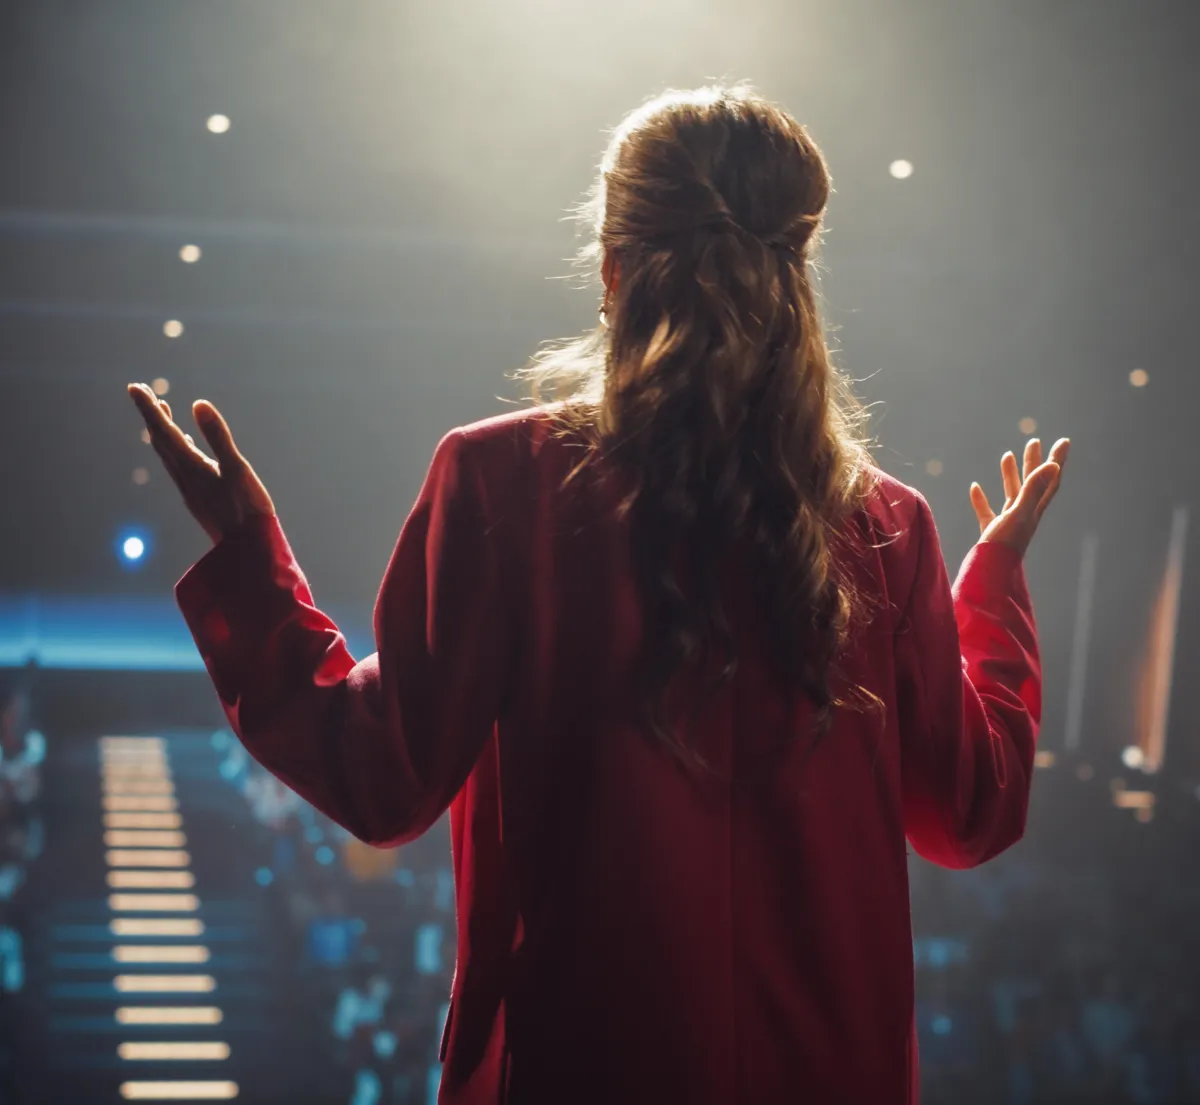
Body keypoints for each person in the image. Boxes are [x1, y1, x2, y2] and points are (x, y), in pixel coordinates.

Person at [129, 83, 1069, 1105]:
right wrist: (992, 588)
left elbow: (380, 776)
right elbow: (969, 815)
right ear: (796, 278)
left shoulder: (503, 482)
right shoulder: (889, 526)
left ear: (613, 272)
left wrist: (248, 562)